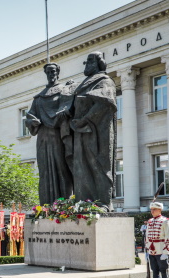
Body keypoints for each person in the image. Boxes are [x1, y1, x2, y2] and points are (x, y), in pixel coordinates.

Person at [70, 51, 117, 207]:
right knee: (81, 166)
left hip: (97, 131)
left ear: (99, 63)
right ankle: (84, 203)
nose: (86, 64)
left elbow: (104, 103)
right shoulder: (84, 84)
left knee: (99, 164)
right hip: (81, 131)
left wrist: (85, 119)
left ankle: (103, 202)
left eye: (90, 61)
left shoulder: (104, 81)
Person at [25, 62, 74, 205]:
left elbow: (71, 107)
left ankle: (64, 204)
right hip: (43, 137)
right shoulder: (39, 98)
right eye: (48, 72)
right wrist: (32, 121)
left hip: (58, 136)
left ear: (58, 72)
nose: (51, 74)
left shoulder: (64, 91)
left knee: (61, 168)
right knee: (45, 171)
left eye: (53, 71)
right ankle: (46, 205)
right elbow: (29, 117)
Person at [145, 202, 169, 278]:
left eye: (154, 209)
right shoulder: (150, 221)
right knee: (155, 271)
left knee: (163, 272)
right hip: (152, 251)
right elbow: (147, 236)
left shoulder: (165, 221)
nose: (152, 211)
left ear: (160, 210)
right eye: (151, 209)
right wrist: (147, 250)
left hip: (161, 250)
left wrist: (166, 252)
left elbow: (168, 236)